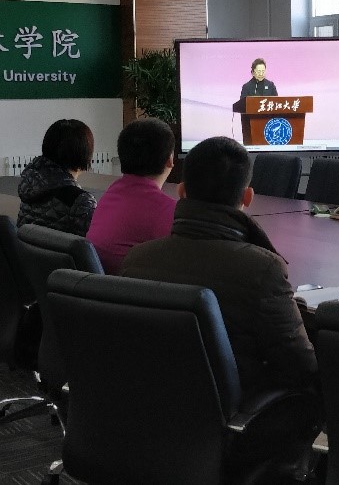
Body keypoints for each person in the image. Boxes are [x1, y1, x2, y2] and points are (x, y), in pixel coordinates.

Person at [122, 136, 316, 396]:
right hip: (238, 410)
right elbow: (301, 368)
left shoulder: (136, 259)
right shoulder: (262, 269)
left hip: (153, 404)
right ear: (248, 197)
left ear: (182, 191)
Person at [87, 118, 177, 274]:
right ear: (170, 160)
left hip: (100, 285)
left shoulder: (110, 194)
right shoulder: (170, 211)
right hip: (132, 286)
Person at [17, 119, 97, 236]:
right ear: (84, 153)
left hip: (27, 248)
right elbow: (96, 241)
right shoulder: (81, 202)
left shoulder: (30, 186)